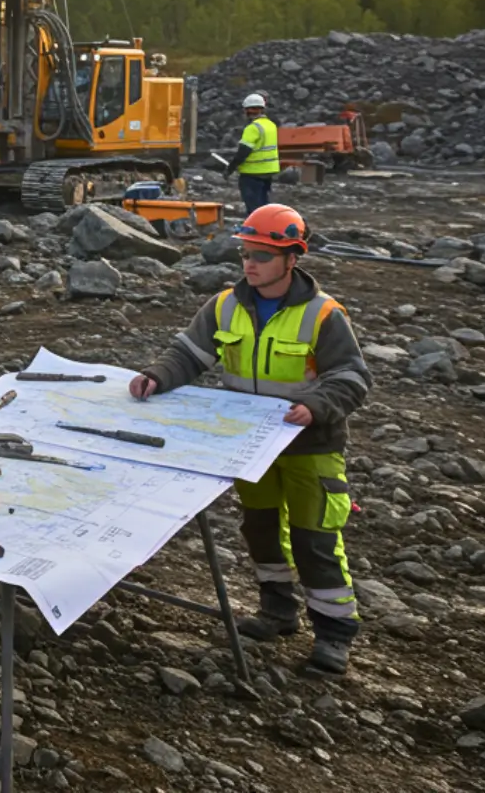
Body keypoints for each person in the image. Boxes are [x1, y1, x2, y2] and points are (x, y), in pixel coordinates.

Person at [129, 204, 370, 676]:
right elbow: (189, 354)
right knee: (259, 531)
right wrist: (157, 376)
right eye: (245, 252)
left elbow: (352, 379)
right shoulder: (224, 305)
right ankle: (277, 612)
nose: (250, 263)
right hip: (249, 446)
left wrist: (317, 406)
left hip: (309, 447)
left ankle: (335, 634)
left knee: (315, 540)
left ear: (292, 258)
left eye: (262, 253)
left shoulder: (325, 316)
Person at [225, 93, 279, 215]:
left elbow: (243, 152)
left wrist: (230, 168)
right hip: (268, 171)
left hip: (252, 173)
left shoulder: (253, 128)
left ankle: (256, 229)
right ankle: (267, 226)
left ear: (248, 110)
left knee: (253, 207)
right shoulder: (271, 125)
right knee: (263, 204)